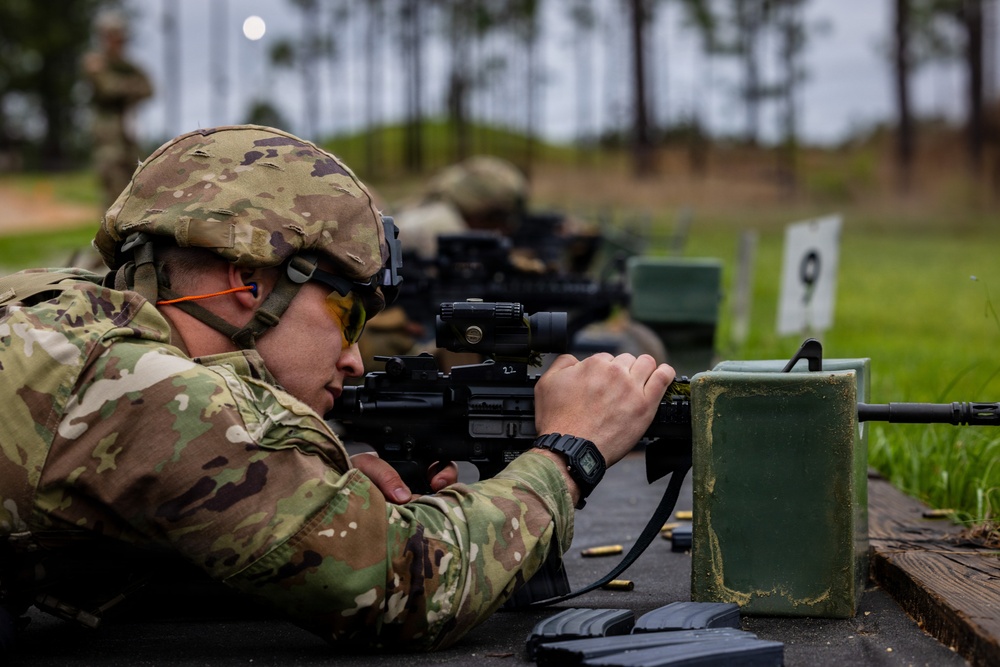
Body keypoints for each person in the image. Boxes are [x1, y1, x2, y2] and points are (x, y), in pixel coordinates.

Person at [0, 125, 675, 651]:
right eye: (349, 313)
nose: (354, 357)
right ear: (248, 282)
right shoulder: (153, 389)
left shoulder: (62, 315)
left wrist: (295, 484)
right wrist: (570, 449)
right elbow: (402, 583)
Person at [82, 11, 154, 212]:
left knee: (136, 191)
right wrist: (131, 87)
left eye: (120, 37)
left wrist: (125, 86)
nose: (118, 42)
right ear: (104, 37)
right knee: (112, 196)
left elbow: (149, 88)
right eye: (113, 36)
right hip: (107, 138)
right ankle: (108, 241)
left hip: (128, 135)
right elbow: (107, 89)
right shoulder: (96, 62)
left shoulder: (127, 66)